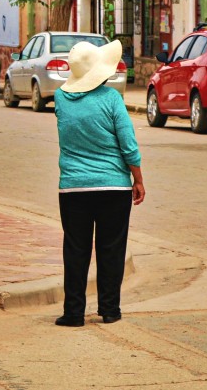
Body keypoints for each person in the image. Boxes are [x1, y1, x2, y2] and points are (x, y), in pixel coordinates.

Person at [51, 39, 145, 327]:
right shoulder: (111, 99)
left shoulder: (60, 98)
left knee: (76, 249)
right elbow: (128, 144)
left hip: (73, 187)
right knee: (111, 248)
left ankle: (74, 313)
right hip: (113, 188)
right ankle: (110, 309)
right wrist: (137, 179)